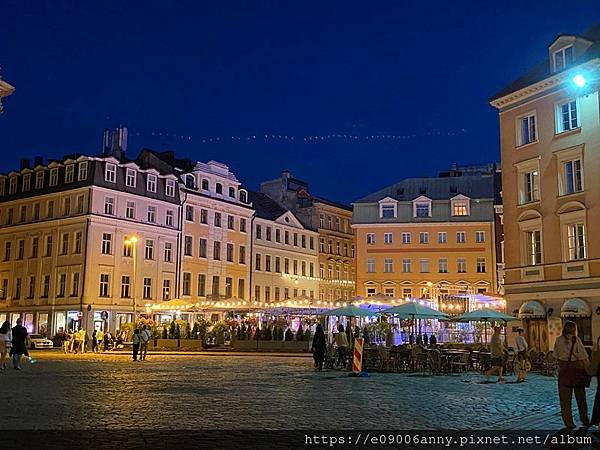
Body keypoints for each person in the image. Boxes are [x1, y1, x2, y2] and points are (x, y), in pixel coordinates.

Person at [555, 321, 590, 430]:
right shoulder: (576, 340)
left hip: (564, 370)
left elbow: (555, 355)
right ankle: (584, 419)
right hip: (577, 370)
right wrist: (589, 370)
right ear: (574, 329)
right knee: (581, 398)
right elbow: (583, 357)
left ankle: (568, 422)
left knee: (565, 400)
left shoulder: (558, 340)